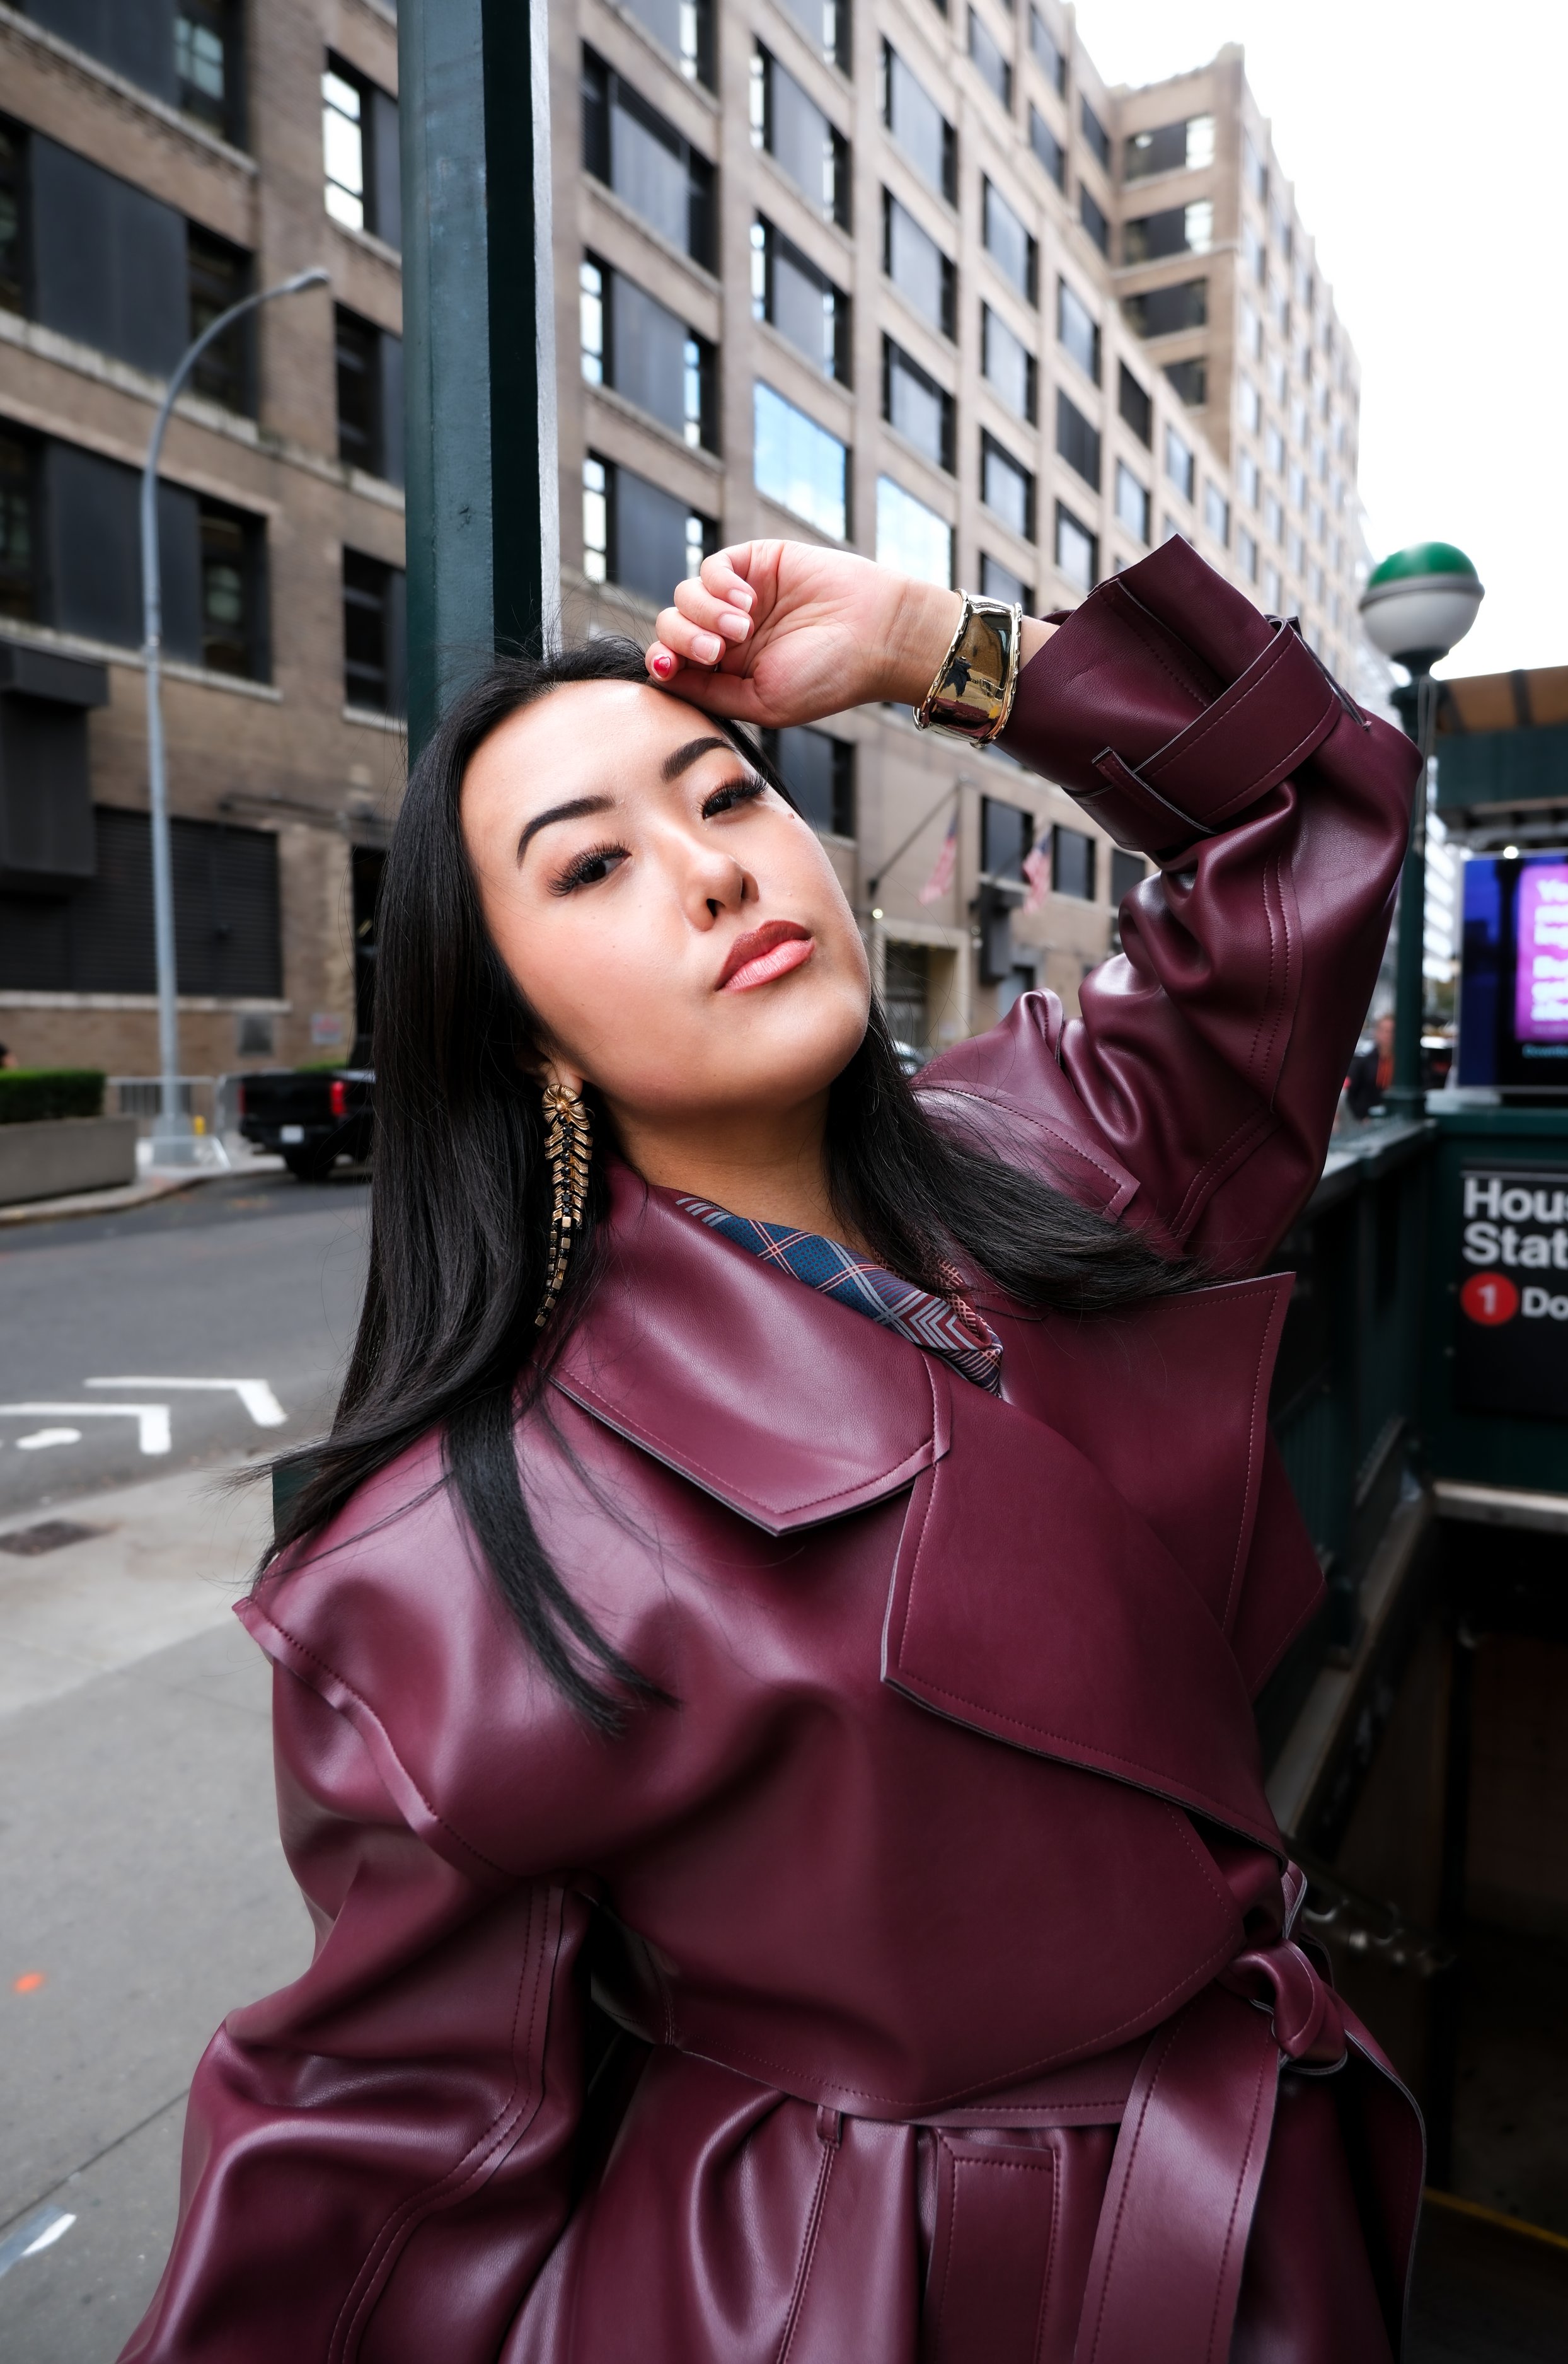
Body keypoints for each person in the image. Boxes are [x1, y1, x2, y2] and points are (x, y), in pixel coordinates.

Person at [122, 536, 1424, 2364]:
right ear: (524, 1043)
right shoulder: (465, 1551)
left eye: (725, 788)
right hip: (871, 2287)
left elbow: (1312, 798)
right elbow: (379, 2163)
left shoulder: (1071, 1146)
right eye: (592, 863)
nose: (715, 863)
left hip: (1259, 2190)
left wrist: (920, 646)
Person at [1347, 1010, 1396, 1118]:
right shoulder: (1364, 1062)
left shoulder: (1401, 1063)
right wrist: (1361, 1116)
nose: (1389, 1035)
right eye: (1385, 1031)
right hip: (1368, 1118)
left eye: (1392, 1031)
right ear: (1377, 1033)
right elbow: (1352, 1093)